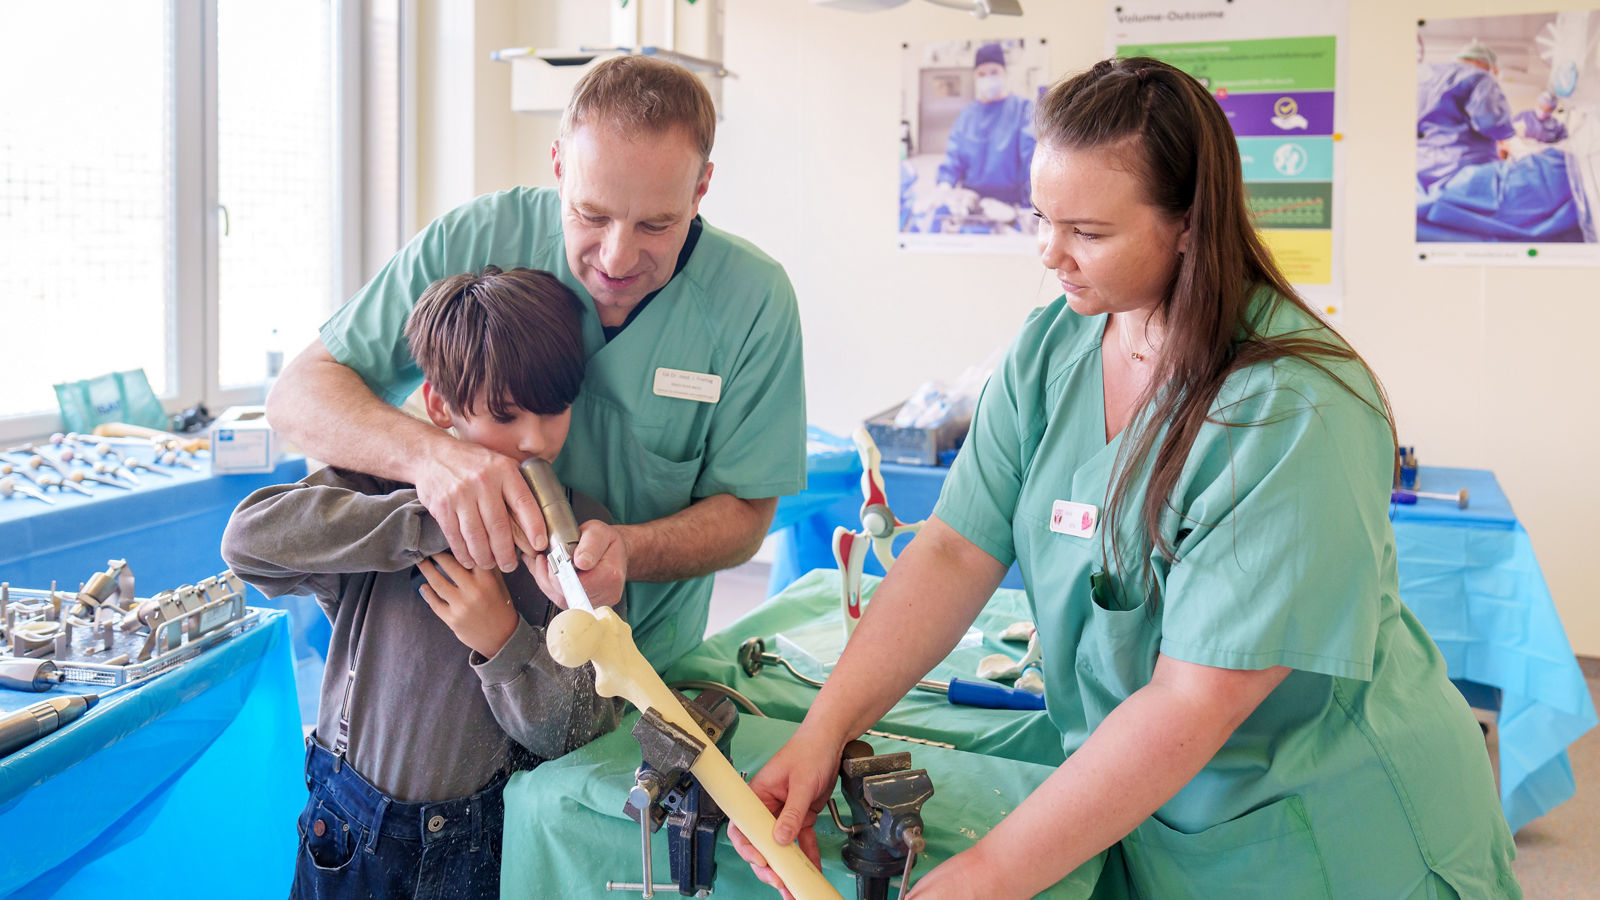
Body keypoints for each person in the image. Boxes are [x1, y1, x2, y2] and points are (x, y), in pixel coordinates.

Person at [735, 57, 1520, 899]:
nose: (1051, 254)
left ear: (1188, 222)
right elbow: (956, 552)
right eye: (1042, 219)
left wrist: (988, 874)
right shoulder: (1052, 351)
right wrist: (826, 731)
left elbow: (1193, 701)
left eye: (1089, 232)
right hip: (1159, 809)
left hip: (1331, 833)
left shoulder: (1295, 412)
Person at [265, 55, 806, 672]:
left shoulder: (751, 301)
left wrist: (628, 550)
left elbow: (745, 514)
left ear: (701, 188)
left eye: (656, 224)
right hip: (460, 668)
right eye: (591, 214)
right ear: (557, 165)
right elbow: (299, 394)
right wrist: (431, 457)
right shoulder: (473, 242)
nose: (616, 257)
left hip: (638, 669)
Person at [222, 267, 626, 898]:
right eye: (504, 413)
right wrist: (434, 515)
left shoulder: (576, 529)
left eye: (555, 410)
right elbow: (247, 543)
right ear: (440, 405)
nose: (535, 439)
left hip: (482, 841)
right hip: (350, 828)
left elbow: (575, 733)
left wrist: (505, 643)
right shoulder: (377, 491)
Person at [935, 42, 1036, 213]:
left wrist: (1033, 199)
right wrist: (944, 186)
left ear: (1004, 73)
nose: (988, 78)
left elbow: (1032, 159)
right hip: (972, 202)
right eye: (982, 74)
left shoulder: (1022, 109)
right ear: (975, 77)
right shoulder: (967, 115)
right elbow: (954, 158)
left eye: (994, 72)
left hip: (1011, 202)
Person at [1417, 39, 1515, 189]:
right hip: (1465, 175)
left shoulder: (1422, 74)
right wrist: (1511, 132)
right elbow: (1493, 125)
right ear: (1490, 66)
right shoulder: (1480, 77)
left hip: (1420, 172)